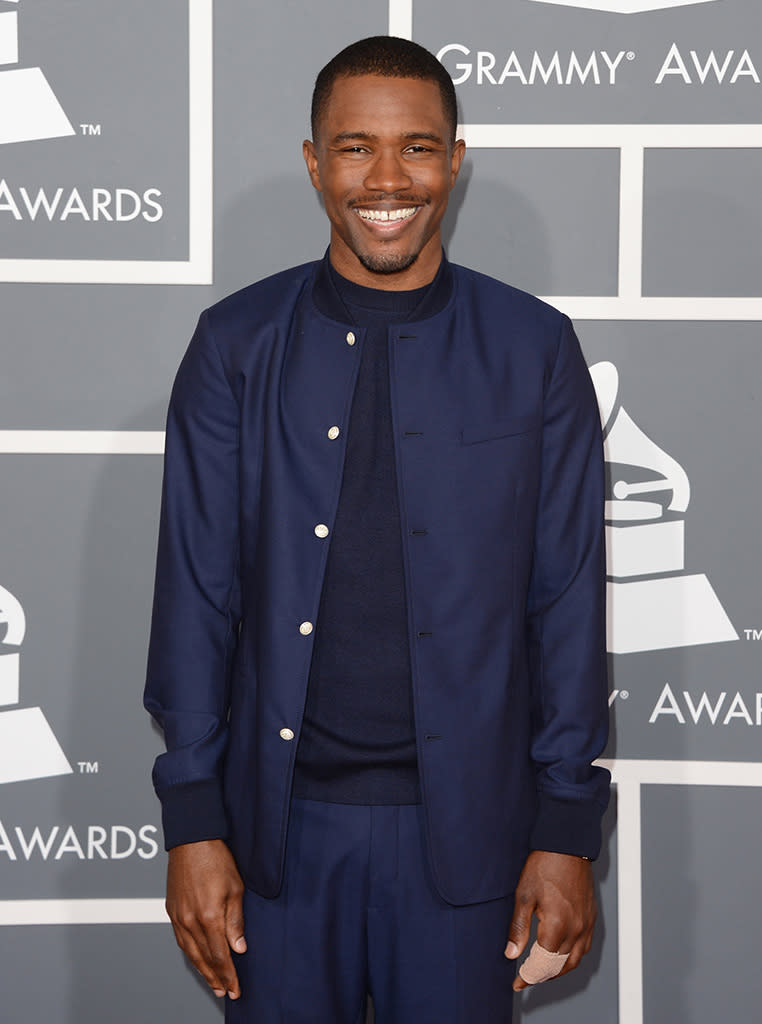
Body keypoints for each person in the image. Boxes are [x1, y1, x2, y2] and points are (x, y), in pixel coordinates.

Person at [144, 35, 610, 1024]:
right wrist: (193, 820)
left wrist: (566, 831)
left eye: (419, 149)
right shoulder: (235, 344)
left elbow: (566, 598)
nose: (388, 179)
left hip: (469, 845)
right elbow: (196, 591)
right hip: (274, 843)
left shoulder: (534, 348)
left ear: (455, 160)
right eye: (355, 148)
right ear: (314, 162)